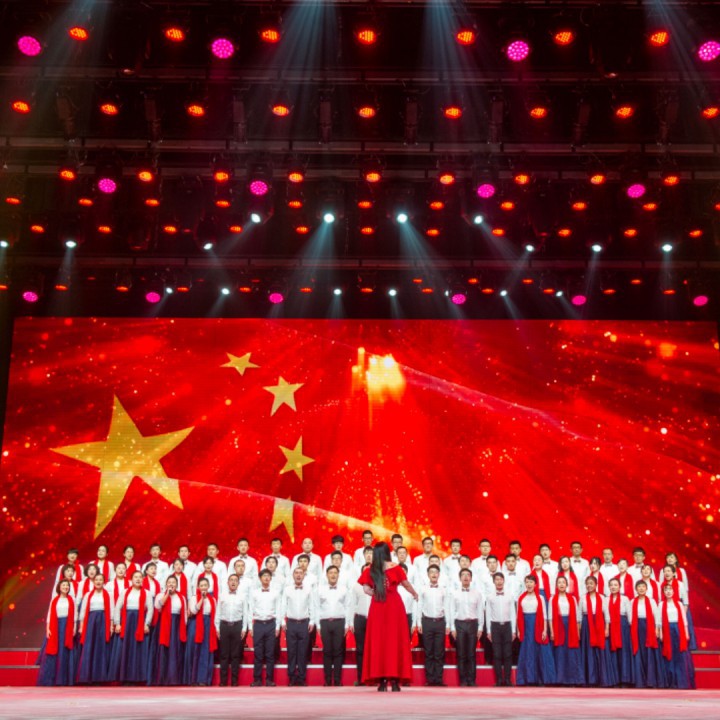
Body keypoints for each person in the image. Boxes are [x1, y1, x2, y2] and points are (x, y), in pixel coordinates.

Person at [359, 541, 417, 692]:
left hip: (378, 606)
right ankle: (395, 681)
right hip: (394, 606)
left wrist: (376, 592)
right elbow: (406, 584)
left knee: (379, 641)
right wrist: (414, 593)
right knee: (395, 641)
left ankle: (382, 682)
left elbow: (365, 588)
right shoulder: (396, 568)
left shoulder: (371, 569)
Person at [111, 570, 153, 684]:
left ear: (143, 579)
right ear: (131, 579)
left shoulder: (147, 593)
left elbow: (150, 609)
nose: (138, 579)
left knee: (138, 650)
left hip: (140, 622)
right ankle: (124, 677)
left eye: (140, 577)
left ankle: (138, 678)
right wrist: (117, 623)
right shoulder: (125, 592)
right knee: (126, 649)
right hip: (127, 623)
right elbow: (117, 607)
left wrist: (147, 623)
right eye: (135, 577)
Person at [516, 575, 555, 686]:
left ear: (535, 584)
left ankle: (541, 679)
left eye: (531, 582)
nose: (529, 584)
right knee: (527, 652)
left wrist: (544, 630)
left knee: (541, 652)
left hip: (538, 625)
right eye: (527, 582)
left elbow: (544, 615)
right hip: (525, 626)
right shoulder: (521, 597)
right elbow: (518, 615)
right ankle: (527, 679)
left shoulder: (540, 598)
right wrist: (518, 630)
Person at [37, 579, 77, 686]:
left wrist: (74, 627)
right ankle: (51, 680)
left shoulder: (72, 600)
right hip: (55, 626)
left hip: (67, 626)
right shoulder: (54, 600)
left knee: (64, 652)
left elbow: (75, 616)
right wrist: (48, 629)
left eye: (67, 585)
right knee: (54, 652)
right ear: (59, 587)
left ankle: (63, 680)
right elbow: (49, 615)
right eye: (63, 585)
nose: (65, 587)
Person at [447, 568, 483, 687]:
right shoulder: (454, 593)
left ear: (471, 578)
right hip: (460, 624)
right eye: (463, 575)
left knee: (471, 654)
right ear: (460, 578)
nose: (466, 577)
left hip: (473, 624)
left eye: (468, 575)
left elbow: (480, 611)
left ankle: (472, 680)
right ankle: (463, 680)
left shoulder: (477, 594)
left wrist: (480, 627)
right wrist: (452, 627)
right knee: (461, 654)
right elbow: (451, 610)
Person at [415, 563, 449, 687]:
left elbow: (447, 607)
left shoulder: (444, 589)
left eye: (436, 572)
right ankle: (430, 679)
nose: (434, 574)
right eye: (431, 572)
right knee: (429, 652)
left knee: (439, 652)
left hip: (440, 622)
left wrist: (448, 624)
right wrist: (418, 622)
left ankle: (438, 679)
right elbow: (419, 606)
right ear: (428, 575)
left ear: (439, 574)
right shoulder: (423, 589)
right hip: (427, 622)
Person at [656, 583, 695, 689]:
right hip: (667, 629)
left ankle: (682, 682)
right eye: (666, 590)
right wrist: (661, 632)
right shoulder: (661, 604)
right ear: (663, 592)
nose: (668, 591)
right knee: (669, 655)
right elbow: (659, 620)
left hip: (678, 629)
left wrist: (686, 632)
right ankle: (671, 682)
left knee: (680, 656)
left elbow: (684, 618)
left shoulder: (679, 604)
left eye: (670, 590)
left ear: (673, 592)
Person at [318, 566, 352, 686]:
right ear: (326, 575)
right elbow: (316, 607)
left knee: (338, 651)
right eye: (330, 573)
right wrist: (318, 625)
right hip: (325, 622)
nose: (333, 575)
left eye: (335, 573)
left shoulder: (344, 589)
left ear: (338, 575)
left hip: (339, 622)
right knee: (327, 651)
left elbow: (348, 607)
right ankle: (327, 679)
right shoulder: (320, 589)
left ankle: (337, 679)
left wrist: (347, 624)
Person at [282, 567, 317, 687]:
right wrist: (282, 621)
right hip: (291, 623)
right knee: (291, 652)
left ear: (304, 575)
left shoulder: (308, 589)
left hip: (304, 624)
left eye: (300, 573)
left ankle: (302, 677)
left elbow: (312, 605)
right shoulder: (287, 589)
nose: (298, 575)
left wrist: (312, 621)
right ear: (293, 575)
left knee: (303, 652)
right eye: (296, 573)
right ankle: (292, 677)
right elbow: (283, 606)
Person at [580, 575, 617, 687]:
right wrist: (579, 631)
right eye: (588, 583)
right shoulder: (582, 598)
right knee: (588, 651)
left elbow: (607, 615)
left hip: (599, 624)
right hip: (587, 625)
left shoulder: (601, 597)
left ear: (596, 585)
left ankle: (603, 679)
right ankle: (590, 680)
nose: (589, 585)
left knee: (600, 652)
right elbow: (579, 616)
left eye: (592, 583)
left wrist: (607, 628)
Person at [77, 573, 113, 684]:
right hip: (91, 621)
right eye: (96, 580)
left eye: (100, 580)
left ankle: (100, 677)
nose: (98, 582)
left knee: (101, 647)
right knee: (90, 647)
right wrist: (81, 626)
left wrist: (111, 625)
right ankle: (88, 676)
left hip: (103, 620)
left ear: (104, 582)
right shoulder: (88, 595)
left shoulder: (108, 595)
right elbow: (83, 611)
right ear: (93, 581)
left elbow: (111, 610)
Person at [151, 575, 187, 686]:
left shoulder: (181, 597)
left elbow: (184, 613)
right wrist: (167, 594)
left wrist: (184, 627)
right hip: (163, 625)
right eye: (169, 582)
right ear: (166, 584)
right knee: (163, 651)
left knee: (175, 651)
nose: (171, 584)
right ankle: (162, 679)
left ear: (177, 585)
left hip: (176, 625)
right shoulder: (160, 595)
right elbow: (158, 606)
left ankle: (173, 679)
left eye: (174, 582)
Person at [248, 569, 282, 686]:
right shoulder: (254, 593)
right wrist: (250, 626)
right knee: (258, 653)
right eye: (264, 576)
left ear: (271, 578)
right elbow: (250, 610)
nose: (266, 578)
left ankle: (269, 680)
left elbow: (278, 610)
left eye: (268, 576)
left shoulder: (276, 593)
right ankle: (257, 679)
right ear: (260, 578)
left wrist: (277, 626)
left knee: (270, 653)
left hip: (271, 624)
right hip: (258, 624)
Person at [549, 576, 583, 686]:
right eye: (559, 582)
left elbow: (578, 618)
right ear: (556, 585)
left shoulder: (572, 598)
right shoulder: (552, 599)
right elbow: (550, 617)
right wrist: (552, 632)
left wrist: (578, 631)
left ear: (567, 585)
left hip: (571, 626)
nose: (561, 584)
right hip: (558, 626)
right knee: (559, 653)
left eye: (563, 582)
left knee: (571, 653)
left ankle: (573, 679)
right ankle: (559, 679)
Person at [629, 579, 664, 688]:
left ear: (646, 589)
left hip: (649, 626)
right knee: (639, 652)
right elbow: (630, 617)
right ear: (636, 589)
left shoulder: (652, 601)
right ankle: (640, 681)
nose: (641, 589)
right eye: (639, 587)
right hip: (637, 627)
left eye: (643, 587)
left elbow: (657, 615)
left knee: (649, 652)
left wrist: (657, 628)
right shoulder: (632, 601)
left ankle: (651, 681)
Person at [216, 573, 247, 687]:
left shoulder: (243, 596)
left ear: (238, 583)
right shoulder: (222, 596)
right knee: (224, 655)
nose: (233, 582)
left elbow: (245, 613)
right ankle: (223, 681)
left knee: (235, 655)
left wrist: (244, 628)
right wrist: (217, 628)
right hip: (224, 626)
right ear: (227, 583)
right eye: (231, 580)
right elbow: (218, 613)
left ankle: (234, 681)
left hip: (237, 626)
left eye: (235, 580)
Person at [184, 577, 217, 686]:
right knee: (195, 650)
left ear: (208, 587)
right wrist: (201, 599)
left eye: (205, 585)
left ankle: (203, 679)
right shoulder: (194, 598)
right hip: (196, 624)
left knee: (205, 651)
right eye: (201, 585)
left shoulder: (213, 599)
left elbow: (214, 615)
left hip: (208, 625)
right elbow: (193, 611)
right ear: (198, 587)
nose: (203, 587)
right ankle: (193, 679)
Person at [485, 572, 516, 686]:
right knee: (497, 654)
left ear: (504, 581)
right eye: (496, 579)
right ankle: (498, 680)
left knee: (508, 654)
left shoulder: (510, 595)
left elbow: (513, 613)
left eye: (500, 579)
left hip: (507, 626)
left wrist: (513, 630)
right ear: (493, 582)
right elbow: (488, 614)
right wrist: (489, 631)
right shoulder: (489, 596)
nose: (499, 581)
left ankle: (507, 680)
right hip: (495, 626)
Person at [607, 577, 633, 686]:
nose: (613, 587)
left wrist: (630, 628)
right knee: (612, 653)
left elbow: (630, 615)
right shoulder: (606, 600)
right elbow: (605, 615)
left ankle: (625, 679)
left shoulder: (625, 599)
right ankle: (614, 679)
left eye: (615, 585)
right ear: (609, 587)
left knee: (624, 652)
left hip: (623, 625)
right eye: (611, 585)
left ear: (619, 587)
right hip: (610, 626)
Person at [351, 557, 372, 685]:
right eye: (365, 571)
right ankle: (361, 678)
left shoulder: (378, 586)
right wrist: (350, 622)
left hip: (374, 621)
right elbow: (352, 605)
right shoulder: (356, 587)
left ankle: (374, 677)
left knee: (374, 649)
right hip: (360, 619)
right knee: (360, 649)